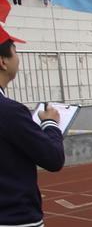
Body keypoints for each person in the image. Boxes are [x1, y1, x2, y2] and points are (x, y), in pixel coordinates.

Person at [0, 26, 65, 227]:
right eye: (15, 53)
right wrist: (50, 124)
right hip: (14, 217)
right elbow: (53, 159)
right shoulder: (10, 112)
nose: (18, 59)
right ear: (3, 62)